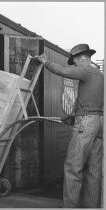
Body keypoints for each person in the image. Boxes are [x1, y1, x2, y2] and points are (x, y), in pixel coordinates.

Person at [36, 44, 104, 208]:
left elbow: (64, 71)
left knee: (73, 167)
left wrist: (46, 62)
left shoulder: (86, 69)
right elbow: (92, 103)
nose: (74, 66)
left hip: (87, 123)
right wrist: (73, 116)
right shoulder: (100, 75)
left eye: (74, 61)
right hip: (99, 122)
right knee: (93, 170)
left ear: (82, 57)